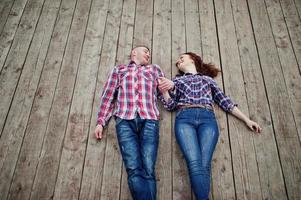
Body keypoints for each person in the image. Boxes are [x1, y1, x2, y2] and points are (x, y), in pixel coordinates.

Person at [158, 52, 261, 200]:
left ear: (193, 59)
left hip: (208, 120)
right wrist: (165, 92)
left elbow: (225, 102)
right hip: (184, 119)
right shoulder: (176, 81)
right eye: (177, 61)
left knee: (204, 166)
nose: (178, 61)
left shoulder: (208, 80)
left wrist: (247, 120)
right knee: (194, 164)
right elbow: (171, 106)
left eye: (182, 58)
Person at [94, 46, 165, 200]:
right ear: (134, 53)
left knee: (148, 169)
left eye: (149, 52)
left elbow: (165, 97)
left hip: (150, 120)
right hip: (125, 120)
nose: (148, 54)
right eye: (145, 51)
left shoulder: (154, 70)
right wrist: (101, 122)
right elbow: (108, 96)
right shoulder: (119, 70)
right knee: (133, 168)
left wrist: (170, 89)